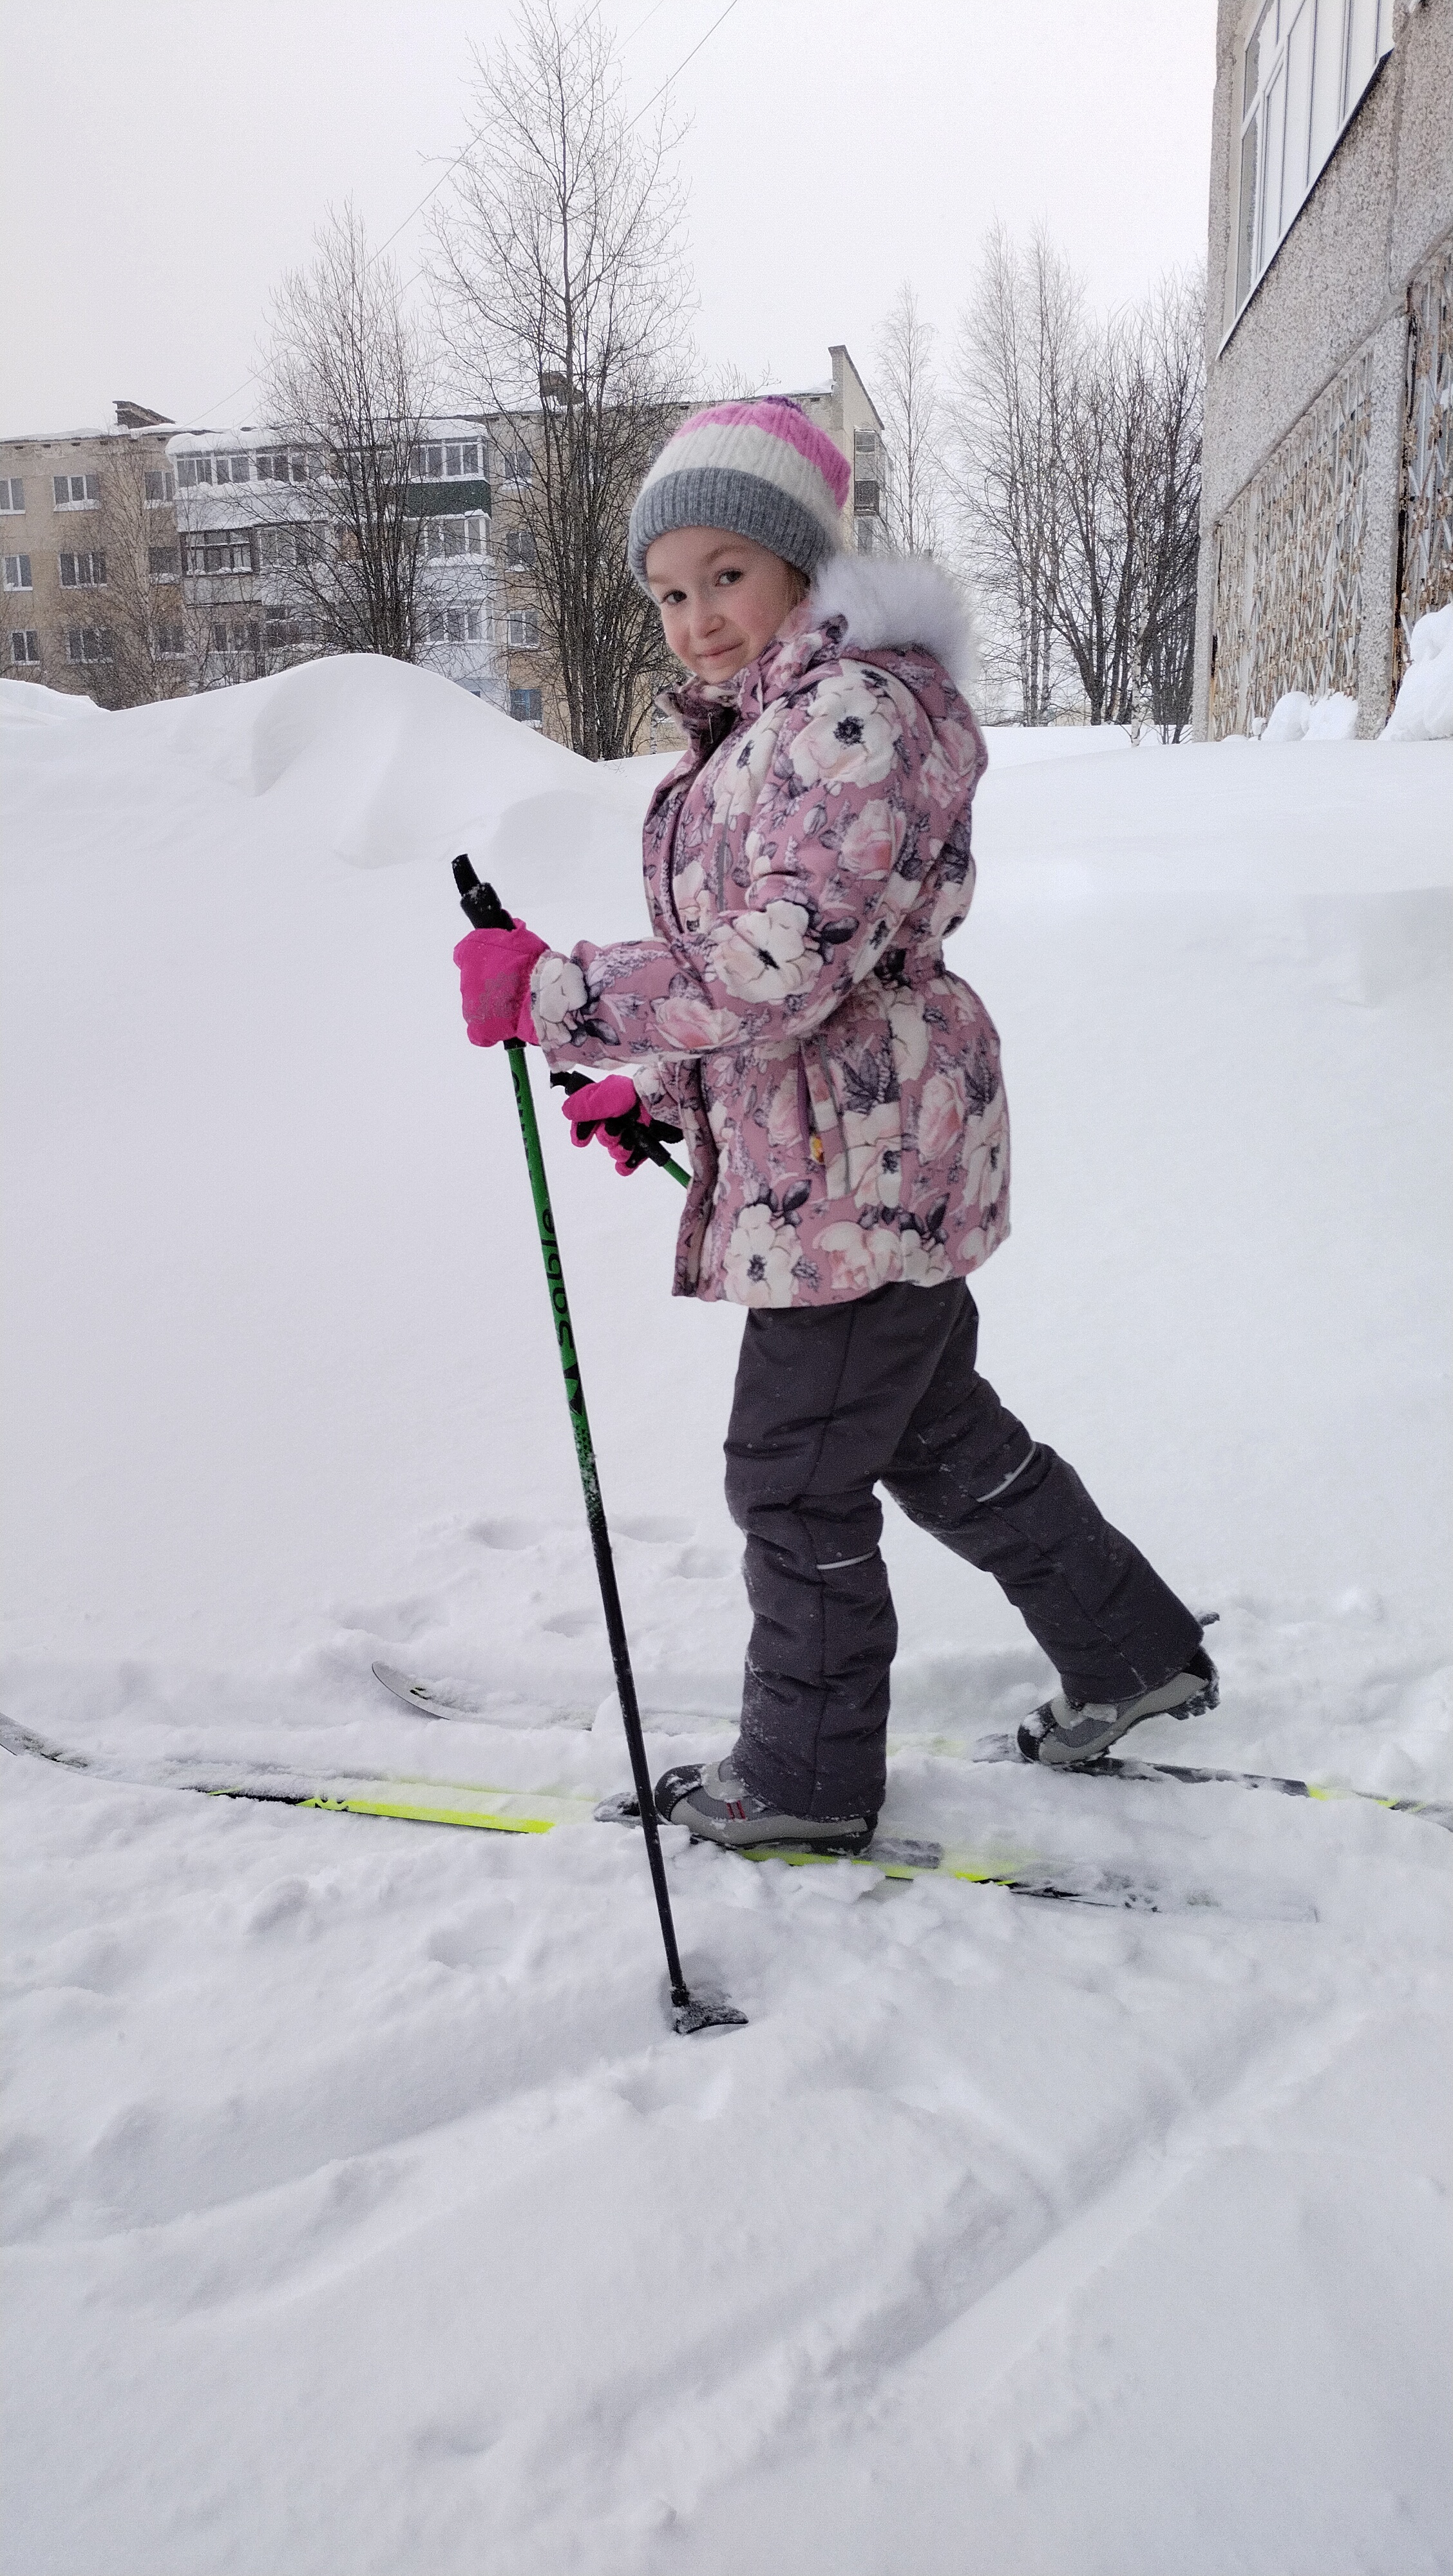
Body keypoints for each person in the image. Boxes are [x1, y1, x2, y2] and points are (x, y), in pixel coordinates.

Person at [455, 396, 1216, 1855]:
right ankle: (1132, 1650)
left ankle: (806, 1777)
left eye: (726, 576)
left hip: (856, 1185)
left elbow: (788, 960)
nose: (696, 619)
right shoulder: (772, 727)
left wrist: (558, 995)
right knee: (935, 1436)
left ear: (801, 563)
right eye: (669, 593)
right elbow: (797, 987)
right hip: (863, 1161)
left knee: (792, 1479)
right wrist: (654, 1088)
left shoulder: (848, 715)